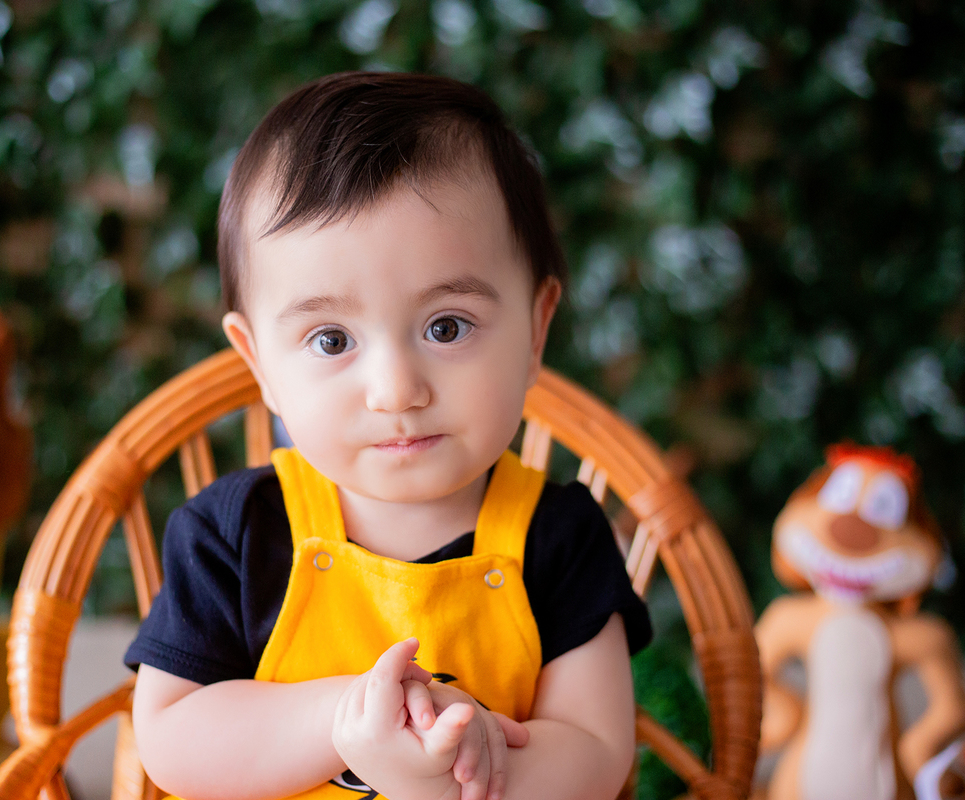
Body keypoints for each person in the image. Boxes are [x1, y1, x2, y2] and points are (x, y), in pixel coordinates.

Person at [124, 71, 652, 800]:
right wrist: (343, 720)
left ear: (535, 329)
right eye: (332, 339)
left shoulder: (560, 538)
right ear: (261, 365)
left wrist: (465, 764)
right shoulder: (231, 534)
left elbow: (595, 754)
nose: (397, 390)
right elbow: (172, 738)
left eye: (446, 326)